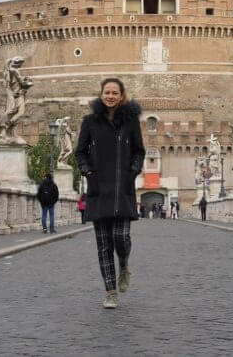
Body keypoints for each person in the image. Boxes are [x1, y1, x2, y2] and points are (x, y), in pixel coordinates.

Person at [76, 77, 145, 309]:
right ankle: (110, 292)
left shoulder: (131, 122)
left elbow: (139, 151)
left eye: (115, 93)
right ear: (101, 94)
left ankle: (124, 265)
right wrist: (87, 172)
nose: (110, 96)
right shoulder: (90, 122)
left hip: (122, 189)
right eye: (107, 92)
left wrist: (133, 172)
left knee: (121, 238)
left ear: (122, 95)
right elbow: (80, 152)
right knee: (104, 245)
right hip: (99, 190)